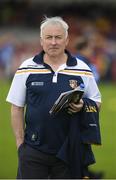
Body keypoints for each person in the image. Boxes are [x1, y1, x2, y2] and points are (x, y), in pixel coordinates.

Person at [6, 16, 102, 179]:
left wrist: (82, 106)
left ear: (66, 40)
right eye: (49, 37)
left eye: (58, 37)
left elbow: (96, 101)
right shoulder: (26, 67)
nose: (53, 42)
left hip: (69, 150)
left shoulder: (82, 69)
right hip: (33, 151)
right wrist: (20, 144)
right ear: (41, 40)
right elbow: (16, 107)